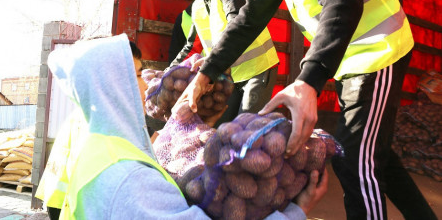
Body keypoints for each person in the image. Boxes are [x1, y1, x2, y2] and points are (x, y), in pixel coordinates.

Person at [179, 0, 436, 219]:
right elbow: (245, 22)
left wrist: (308, 81)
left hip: (379, 50)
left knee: (353, 159)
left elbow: (342, 0)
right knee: (373, 152)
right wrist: (206, 73)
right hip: (348, 61)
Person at [46, 34, 327, 219]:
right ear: (114, 87)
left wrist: (189, 122)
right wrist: (296, 211)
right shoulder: (129, 179)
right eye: (137, 74)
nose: (146, 83)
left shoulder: (102, 150)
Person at [36, 39, 148, 220]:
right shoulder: (99, 128)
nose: (145, 85)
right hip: (64, 203)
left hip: (61, 200)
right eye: (137, 76)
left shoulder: (86, 113)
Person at [170, 0, 279, 125]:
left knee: (244, 128)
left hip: (258, 69)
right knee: (223, 127)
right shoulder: (197, 6)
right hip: (230, 77)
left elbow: (237, 24)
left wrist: (211, 62)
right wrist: (169, 73)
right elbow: (190, 47)